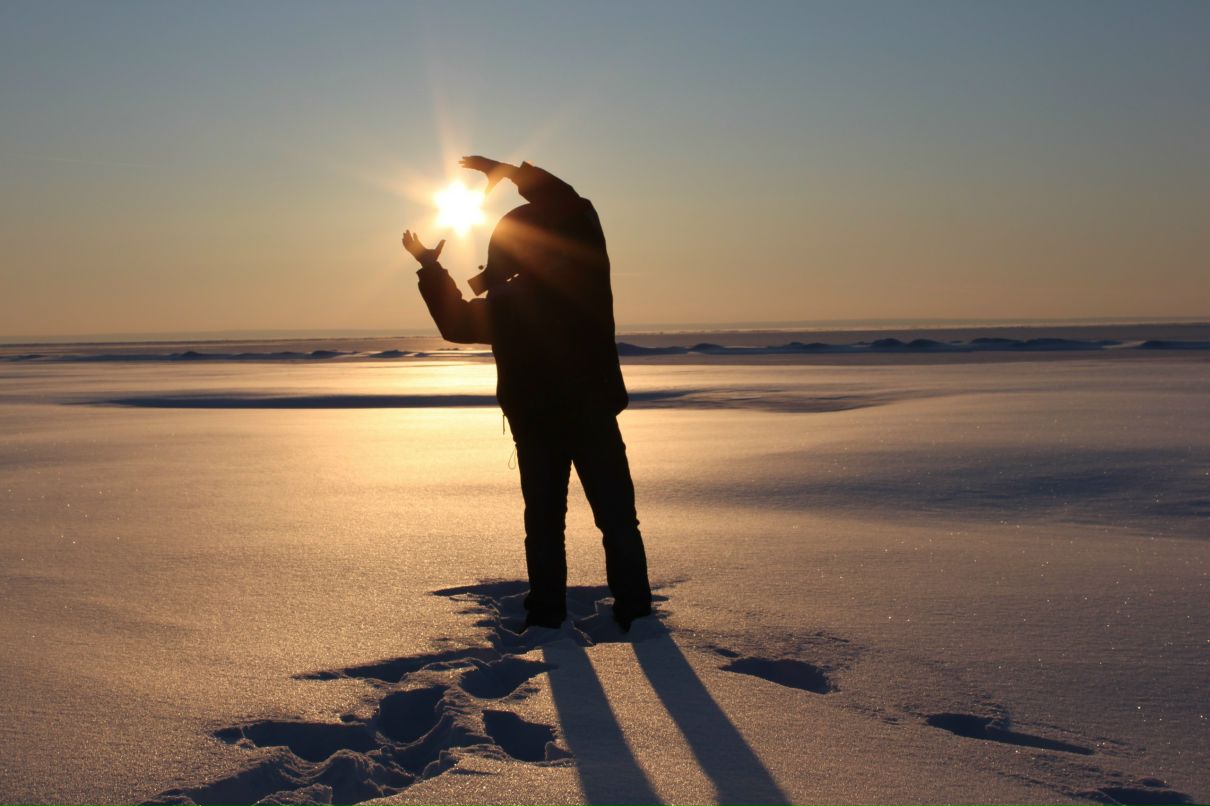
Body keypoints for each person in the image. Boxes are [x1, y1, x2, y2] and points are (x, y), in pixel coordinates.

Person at [402, 156, 652, 632]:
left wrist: (512, 174)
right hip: (560, 420)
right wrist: (430, 268)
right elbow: (457, 324)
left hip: (566, 418)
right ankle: (594, 614)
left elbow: (572, 207)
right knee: (586, 522)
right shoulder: (549, 288)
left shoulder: (575, 279)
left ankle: (572, 615)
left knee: (576, 523)